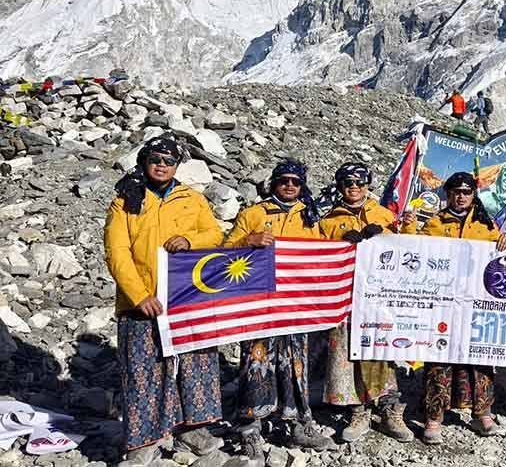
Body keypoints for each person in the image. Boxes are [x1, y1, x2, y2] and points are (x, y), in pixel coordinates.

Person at [103, 137, 225, 465]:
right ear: (144, 161)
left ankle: (192, 429)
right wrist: (139, 294)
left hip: (187, 297)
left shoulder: (192, 199)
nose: (161, 165)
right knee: (143, 370)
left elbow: (215, 235)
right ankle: (143, 440)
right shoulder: (125, 200)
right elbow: (117, 253)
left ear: (177, 165)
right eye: (155, 159)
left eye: (168, 160)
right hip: (142, 303)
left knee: (196, 364)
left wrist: (190, 239)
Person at [223, 160, 332, 461]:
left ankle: (298, 423)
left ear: (302, 186)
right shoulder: (253, 213)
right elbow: (224, 250)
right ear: (273, 183)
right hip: (259, 303)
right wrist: (247, 241)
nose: (289, 186)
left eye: (295, 182)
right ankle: (250, 427)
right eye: (283, 180)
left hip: (295, 304)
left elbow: (323, 257)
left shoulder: (310, 218)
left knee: (295, 364)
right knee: (256, 362)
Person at [399, 172, 506, 444]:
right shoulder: (436, 224)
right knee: (438, 357)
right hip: (443, 303)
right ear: (447, 194)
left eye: (466, 191)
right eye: (455, 191)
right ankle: (434, 416)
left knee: (479, 356)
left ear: (474, 195)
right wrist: (407, 229)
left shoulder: (486, 227)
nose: (461, 196)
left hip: (475, 303)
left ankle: (482, 412)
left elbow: (504, 258)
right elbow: (414, 251)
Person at [319, 163, 413, 443]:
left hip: (378, 297)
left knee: (381, 350)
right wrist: (339, 242)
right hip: (345, 298)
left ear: (369, 185)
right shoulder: (328, 220)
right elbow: (320, 256)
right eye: (348, 182)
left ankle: (388, 409)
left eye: (360, 182)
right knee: (349, 352)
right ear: (340, 187)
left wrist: (396, 231)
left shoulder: (384, 214)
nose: (354, 187)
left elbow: (408, 253)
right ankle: (357, 409)